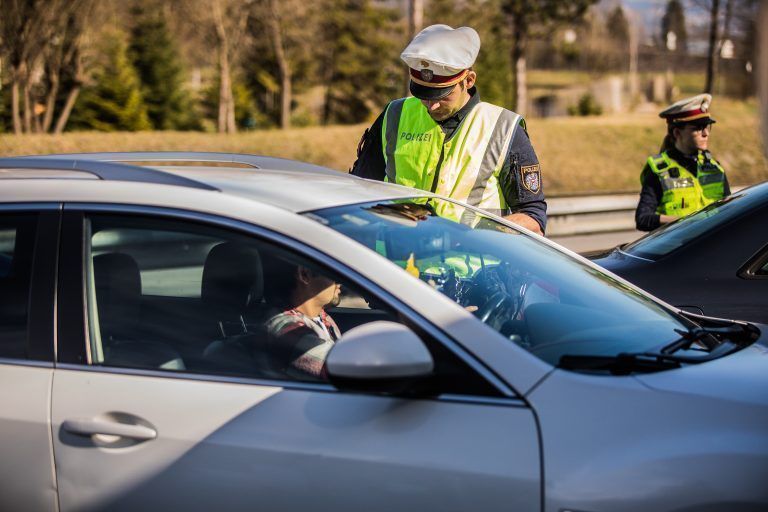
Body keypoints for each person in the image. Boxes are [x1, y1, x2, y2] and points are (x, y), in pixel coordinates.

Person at [350, 24, 546, 236]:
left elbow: (533, 218)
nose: (430, 105)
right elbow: (359, 191)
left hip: (471, 267)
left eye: (441, 95)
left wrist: (475, 238)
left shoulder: (504, 128)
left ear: (468, 80)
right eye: (423, 94)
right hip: (392, 265)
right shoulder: (394, 114)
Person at [635, 93, 730, 231]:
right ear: (677, 133)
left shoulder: (715, 168)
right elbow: (643, 219)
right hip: (679, 250)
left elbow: (730, 212)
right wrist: (687, 221)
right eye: (698, 128)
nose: (706, 134)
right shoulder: (659, 170)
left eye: (707, 127)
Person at [263, 258, 342, 380]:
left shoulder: (321, 316)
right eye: (333, 273)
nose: (340, 282)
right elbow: (343, 372)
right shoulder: (286, 329)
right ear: (304, 274)